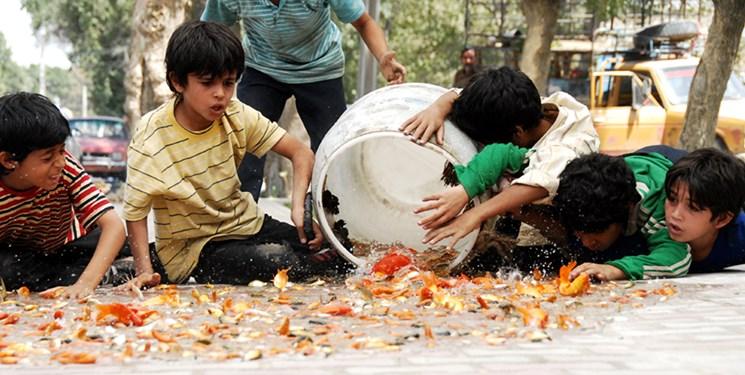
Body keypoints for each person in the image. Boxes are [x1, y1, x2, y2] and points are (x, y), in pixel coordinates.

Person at [123, 21, 340, 289]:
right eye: (207, 83)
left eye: (228, 83)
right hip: (195, 249)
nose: (220, 95)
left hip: (247, 225)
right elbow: (135, 212)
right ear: (177, 82)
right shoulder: (151, 135)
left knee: (337, 246)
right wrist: (144, 271)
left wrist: (299, 210)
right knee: (278, 263)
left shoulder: (236, 114)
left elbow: (301, 153)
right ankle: (138, 264)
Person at [202, 0, 407, 201]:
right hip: (262, 67)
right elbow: (209, 30)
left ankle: (331, 220)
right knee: (245, 142)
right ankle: (240, 220)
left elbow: (363, 22)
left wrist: (382, 57)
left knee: (333, 150)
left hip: (320, 68)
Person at [399, 67, 598, 250]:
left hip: (563, 212)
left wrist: (473, 214)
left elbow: (539, 183)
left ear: (517, 133)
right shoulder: (522, 108)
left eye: (487, 141)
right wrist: (437, 108)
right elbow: (463, 95)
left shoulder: (567, 147)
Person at [0, 92, 126, 298]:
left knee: (123, 244)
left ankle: (91, 274)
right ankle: (108, 274)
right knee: (9, 270)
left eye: (61, 150)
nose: (60, 162)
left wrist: (85, 284)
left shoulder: (65, 167)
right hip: (18, 257)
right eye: (48, 157)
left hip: (66, 246)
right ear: (8, 160)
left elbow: (113, 226)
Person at [553, 148, 691, 281]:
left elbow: (676, 259)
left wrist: (616, 269)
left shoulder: (660, 207)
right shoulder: (587, 186)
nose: (586, 242)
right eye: (579, 232)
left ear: (628, 210)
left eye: (597, 231)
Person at [664, 148, 745, 273]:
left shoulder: (739, 236)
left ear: (722, 219)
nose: (675, 215)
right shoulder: (647, 223)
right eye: (672, 199)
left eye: (692, 207)